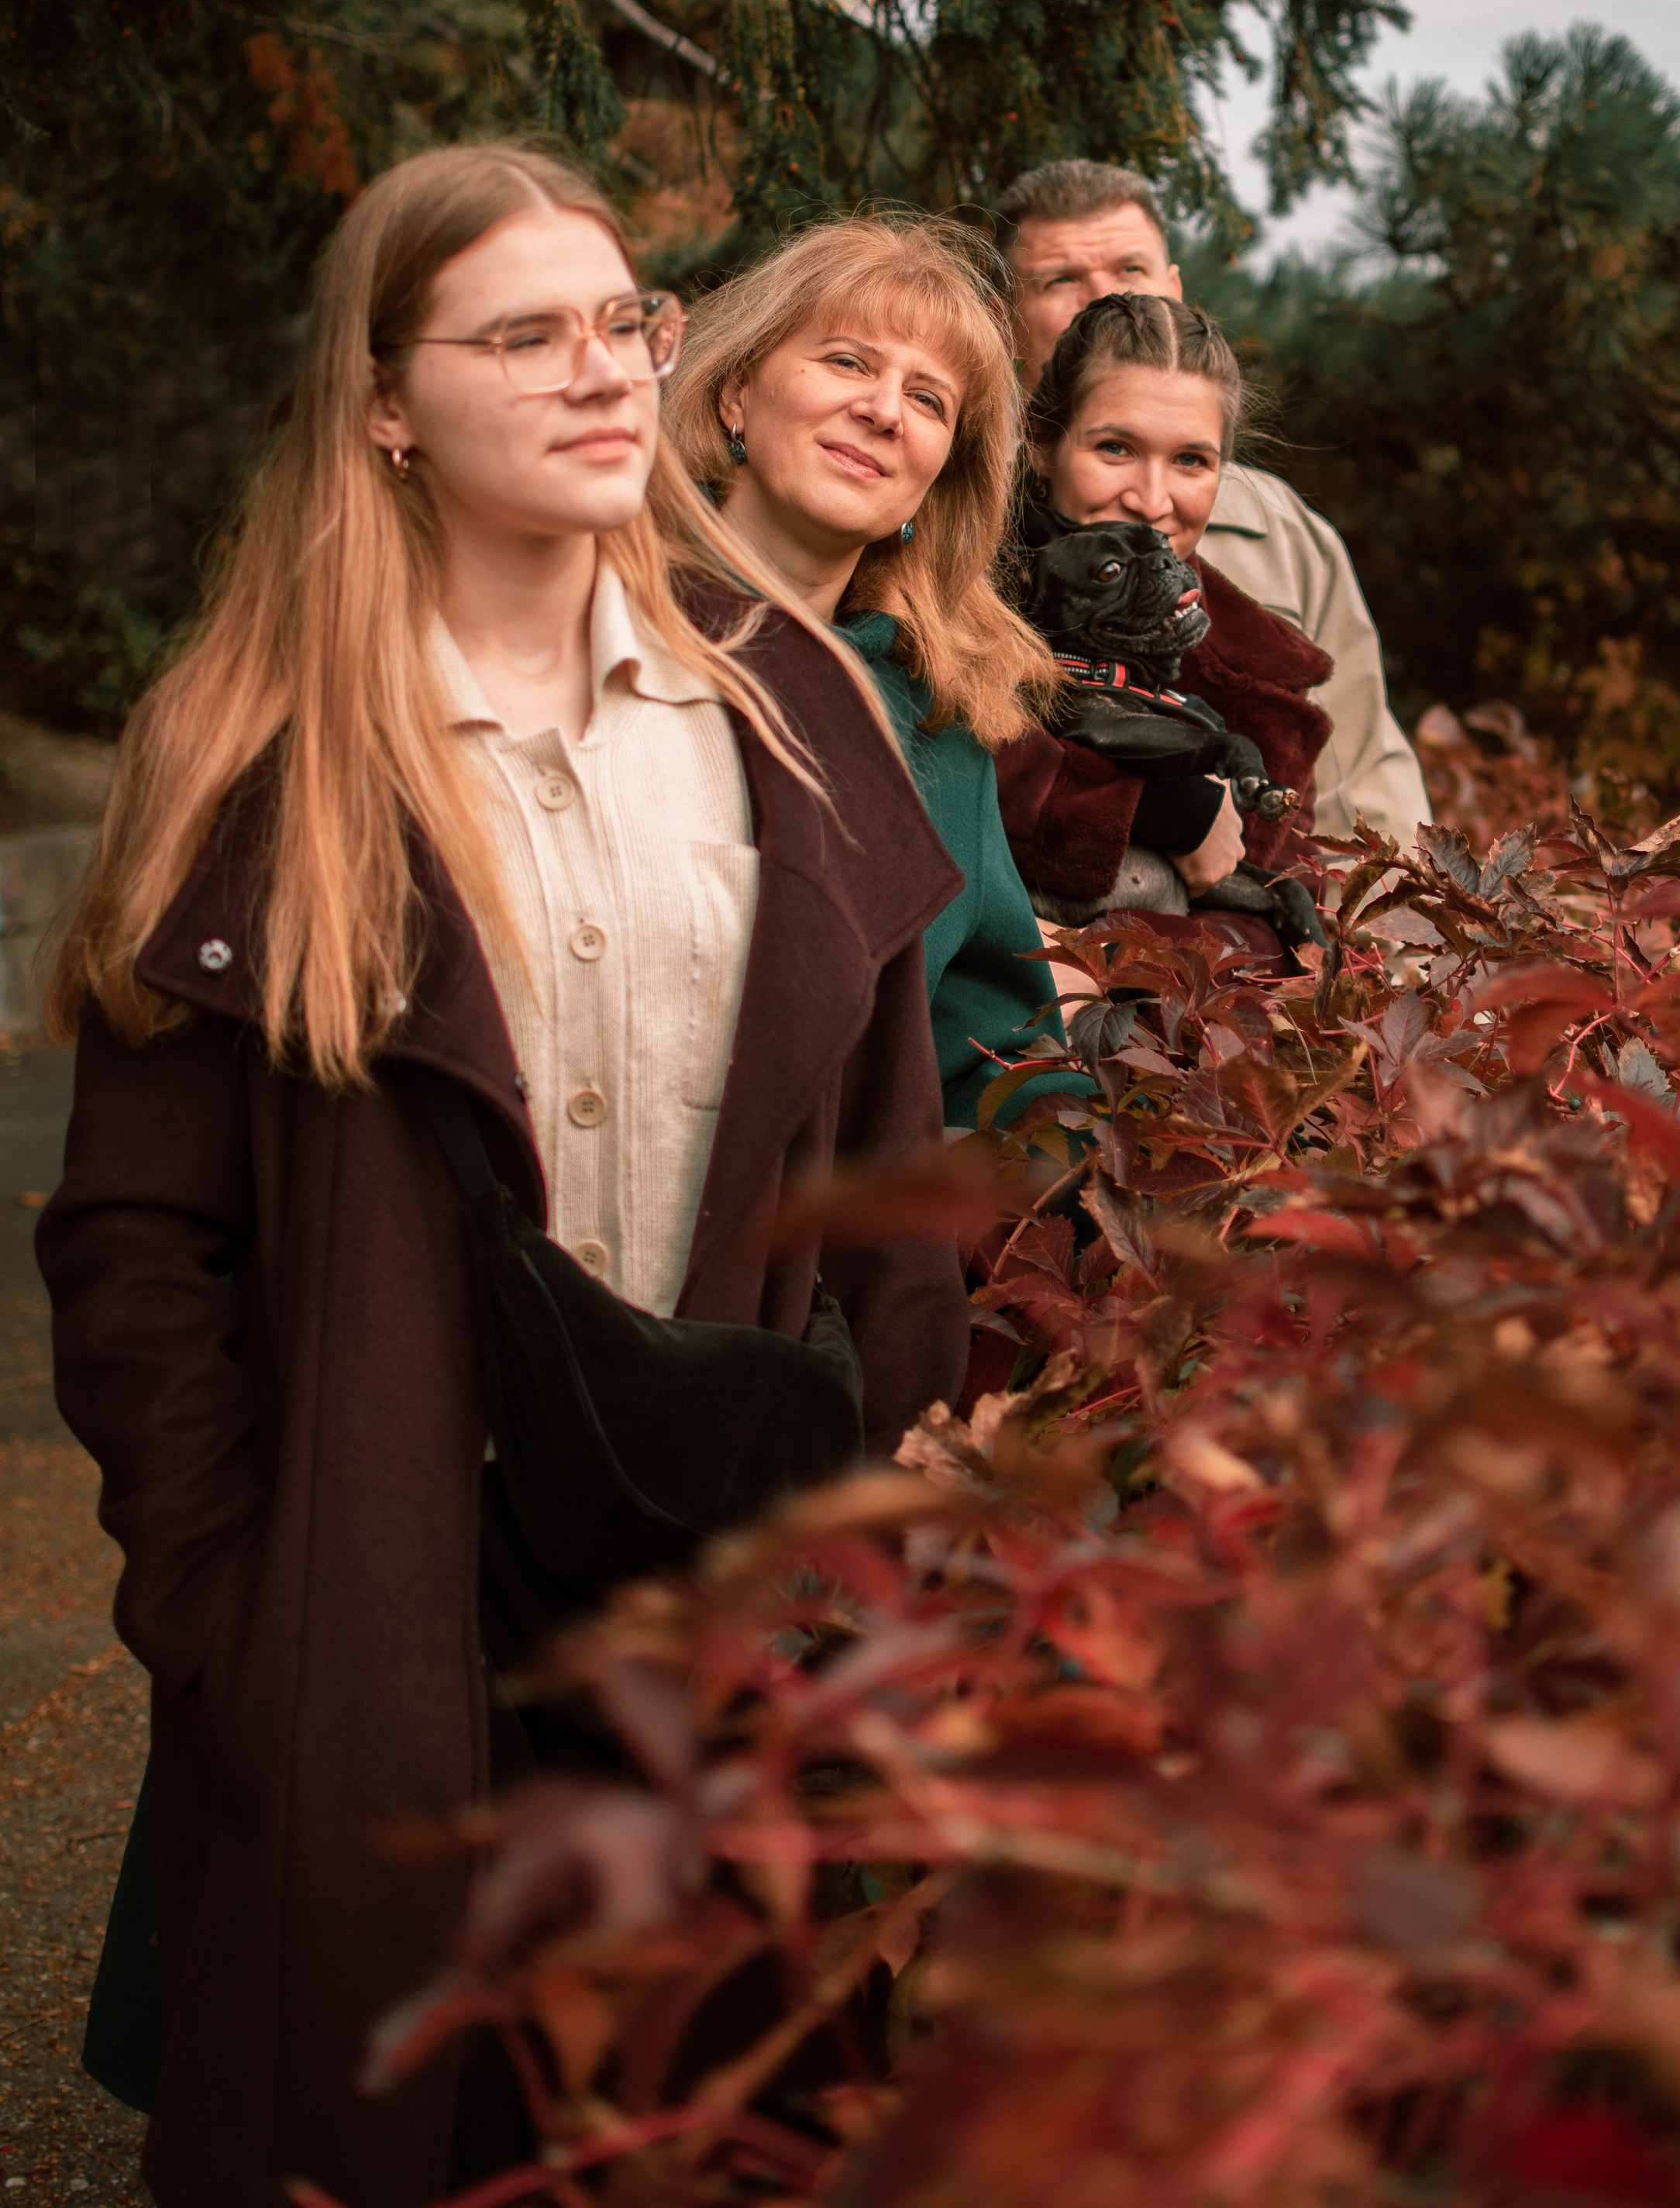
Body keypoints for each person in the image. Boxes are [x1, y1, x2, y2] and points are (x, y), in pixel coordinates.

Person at [35, 144, 967, 2208]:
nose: (600, 371)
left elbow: (897, 1174)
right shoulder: (269, 747)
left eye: (622, 321)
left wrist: (875, 1538)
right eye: (520, 335)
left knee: (704, 2121)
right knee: (391, 2130)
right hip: (383, 1603)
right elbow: (136, 1243)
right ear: (387, 403)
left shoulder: (788, 705)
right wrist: (227, 1605)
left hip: (727, 1596)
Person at [666, 212, 1087, 1135]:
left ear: (936, 479)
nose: (885, 410)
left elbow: (1004, 1063)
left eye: (929, 400)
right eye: (849, 362)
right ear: (737, 394)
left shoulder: (939, 726)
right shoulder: (597, 617)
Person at [991, 157, 1431, 848]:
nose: (1104, 304)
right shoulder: (959, 522)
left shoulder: (1282, 531)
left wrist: (1373, 944)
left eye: (1130, 273)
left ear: (1174, 290)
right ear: (1005, 318)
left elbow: (1368, 780)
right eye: (1061, 281)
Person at [996, 293, 1333, 960]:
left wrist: (1131, 966)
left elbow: (1283, 932)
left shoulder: (1264, 674)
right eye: (1116, 448)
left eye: (1191, 461)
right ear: (1041, 445)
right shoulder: (940, 601)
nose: (1152, 501)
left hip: (1184, 1048)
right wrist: (1154, 809)